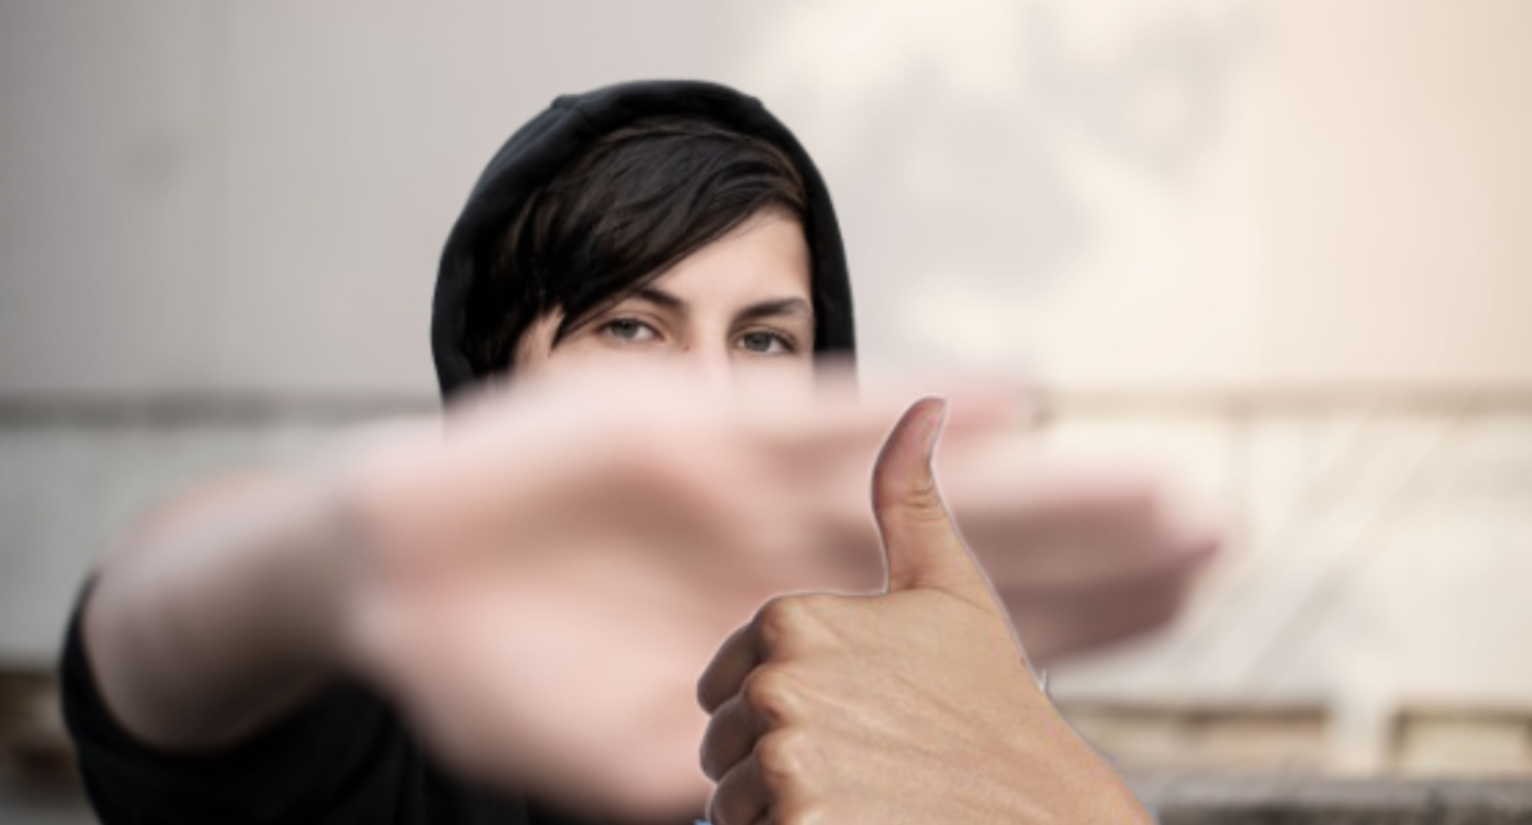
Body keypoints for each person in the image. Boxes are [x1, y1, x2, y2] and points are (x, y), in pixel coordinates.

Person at [61, 80, 1214, 824]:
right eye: (630, 325)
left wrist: (1069, 807)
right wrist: (334, 552)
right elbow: (159, 656)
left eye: (765, 338)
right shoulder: (385, 725)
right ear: (493, 374)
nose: (712, 392)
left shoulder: (905, 715)